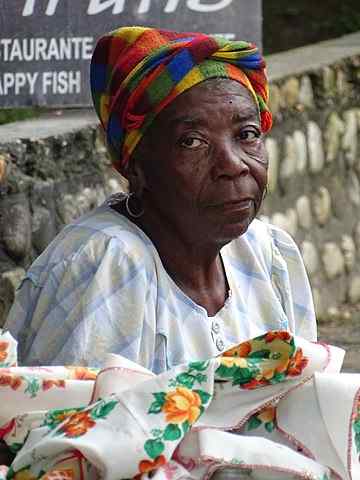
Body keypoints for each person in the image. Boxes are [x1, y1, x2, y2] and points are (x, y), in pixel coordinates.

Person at [4, 26, 316, 373]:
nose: (232, 165)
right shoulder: (107, 265)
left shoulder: (266, 253)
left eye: (247, 134)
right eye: (192, 142)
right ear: (136, 167)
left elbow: (305, 400)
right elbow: (74, 424)